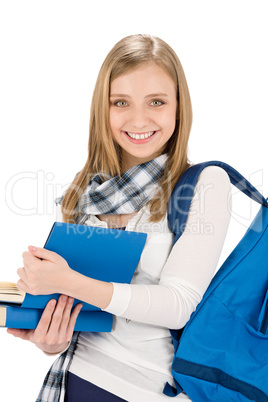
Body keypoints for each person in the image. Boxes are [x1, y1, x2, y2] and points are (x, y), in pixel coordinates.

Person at [7, 34, 232, 401]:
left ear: (179, 107)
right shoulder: (86, 193)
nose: (138, 119)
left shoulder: (205, 184)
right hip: (73, 381)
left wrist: (68, 280)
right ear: (103, 109)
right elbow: (78, 325)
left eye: (156, 102)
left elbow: (177, 305)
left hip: (147, 389)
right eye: (121, 102)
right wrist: (50, 339)